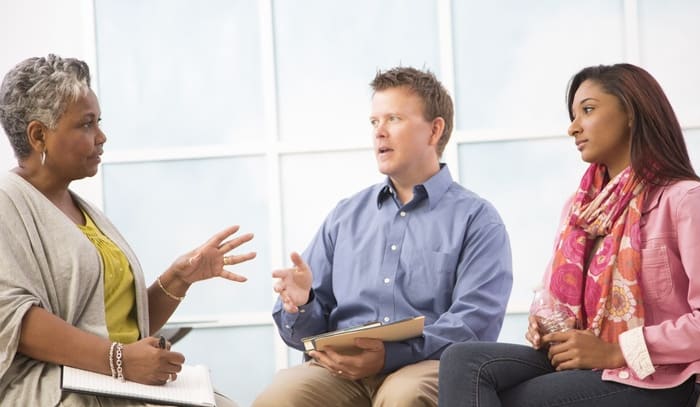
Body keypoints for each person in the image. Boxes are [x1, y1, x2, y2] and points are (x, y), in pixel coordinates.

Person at [438, 63, 700, 407]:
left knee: (512, 400)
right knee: (461, 362)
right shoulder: (579, 208)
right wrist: (546, 327)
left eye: (587, 110)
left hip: (654, 378)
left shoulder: (686, 200)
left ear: (632, 113)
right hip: (587, 363)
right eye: (573, 116)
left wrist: (617, 351)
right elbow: (554, 297)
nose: (573, 128)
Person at [0, 54, 256, 406]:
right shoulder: (6, 204)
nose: (101, 136)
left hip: (118, 384)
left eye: (98, 122)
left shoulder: (84, 212)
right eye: (86, 124)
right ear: (38, 135)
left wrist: (177, 279)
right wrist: (119, 361)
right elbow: (15, 320)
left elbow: (119, 325)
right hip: (61, 390)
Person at [252, 66, 513, 407]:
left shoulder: (477, 220)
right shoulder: (345, 216)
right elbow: (302, 335)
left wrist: (390, 354)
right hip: (341, 372)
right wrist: (302, 305)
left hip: (425, 366)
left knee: (405, 395)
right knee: (281, 395)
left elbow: (474, 323)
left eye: (394, 119)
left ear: (434, 131)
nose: (379, 133)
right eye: (375, 122)